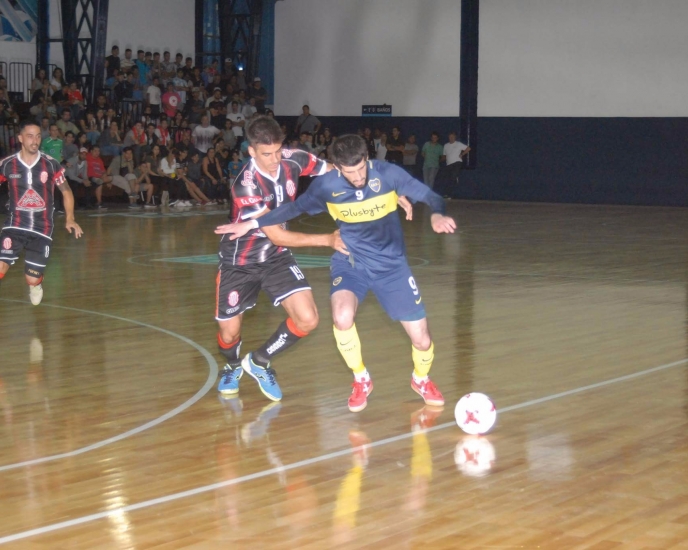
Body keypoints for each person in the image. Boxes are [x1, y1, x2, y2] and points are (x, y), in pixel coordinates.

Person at [216, 134, 455, 412]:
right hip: (349, 260)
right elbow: (293, 208)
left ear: (367, 158)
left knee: (422, 339)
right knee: (342, 317)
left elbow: (431, 196)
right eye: (349, 172)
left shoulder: (388, 174)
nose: (357, 177)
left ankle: (421, 379)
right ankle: (361, 378)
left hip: (391, 266)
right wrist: (252, 223)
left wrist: (437, 213)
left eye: (361, 168)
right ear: (338, 168)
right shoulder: (327, 186)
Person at [209, 116, 348, 403]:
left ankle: (258, 361)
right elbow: (278, 235)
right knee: (229, 333)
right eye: (266, 154)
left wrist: (377, 190)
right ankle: (232, 366)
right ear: (251, 151)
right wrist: (328, 240)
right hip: (241, 260)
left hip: (276, 258)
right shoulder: (245, 185)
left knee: (308, 319)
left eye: (277, 151)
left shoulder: (293, 159)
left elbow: (334, 171)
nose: (274, 160)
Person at [0, 120, 83, 305]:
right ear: (20, 138)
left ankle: (36, 284)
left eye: (38, 136)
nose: (34, 140)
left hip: (42, 228)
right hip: (14, 226)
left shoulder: (51, 164)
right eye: (30, 136)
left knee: (31, 277)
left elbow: (67, 191)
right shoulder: (7, 164)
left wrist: (70, 218)